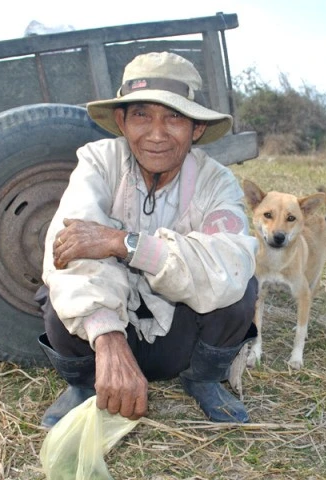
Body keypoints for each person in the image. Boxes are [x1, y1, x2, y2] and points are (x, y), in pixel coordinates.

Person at [35, 51, 258, 429]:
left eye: (174, 117)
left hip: (179, 339)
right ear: (121, 121)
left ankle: (203, 379)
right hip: (106, 339)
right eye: (141, 115)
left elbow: (229, 263)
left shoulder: (216, 182)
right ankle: (86, 385)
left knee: (240, 287)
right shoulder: (98, 161)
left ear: (196, 129)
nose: (157, 134)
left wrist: (126, 243)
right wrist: (107, 338)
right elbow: (73, 240)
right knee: (62, 278)